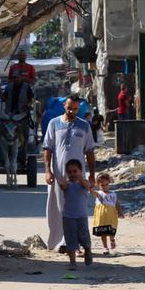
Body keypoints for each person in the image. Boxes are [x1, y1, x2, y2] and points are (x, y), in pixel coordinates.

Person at [42, 95, 97, 252]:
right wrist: (48, 171)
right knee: (57, 208)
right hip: (59, 176)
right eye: (69, 107)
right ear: (64, 106)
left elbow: (90, 152)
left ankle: (75, 243)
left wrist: (92, 175)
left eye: (75, 108)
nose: (72, 111)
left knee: (77, 209)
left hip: (78, 177)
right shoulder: (54, 124)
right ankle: (59, 242)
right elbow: (47, 149)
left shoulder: (84, 126)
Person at [60, 159, 93, 269]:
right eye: (69, 172)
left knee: (84, 237)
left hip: (81, 217)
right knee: (70, 239)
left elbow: (88, 186)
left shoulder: (83, 184)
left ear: (80, 171)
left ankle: (87, 250)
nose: (72, 174)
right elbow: (62, 186)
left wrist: (81, 179)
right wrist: (64, 180)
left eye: (75, 171)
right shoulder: (67, 185)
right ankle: (72, 262)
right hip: (68, 217)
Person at [92, 173, 121, 255]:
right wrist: (90, 186)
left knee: (111, 231)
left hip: (111, 215)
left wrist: (120, 211)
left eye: (106, 184)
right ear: (98, 185)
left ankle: (112, 240)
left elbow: (117, 203)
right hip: (102, 217)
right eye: (102, 185)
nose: (105, 187)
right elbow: (92, 192)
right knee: (103, 232)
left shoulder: (113, 194)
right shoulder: (99, 193)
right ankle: (105, 247)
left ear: (109, 183)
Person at [7, 50, 35, 115]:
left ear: (26, 57)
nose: (22, 57)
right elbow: (9, 80)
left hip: (26, 92)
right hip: (14, 92)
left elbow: (33, 81)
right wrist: (16, 80)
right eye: (20, 55)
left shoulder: (30, 67)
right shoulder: (13, 67)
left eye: (23, 55)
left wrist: (24, 79)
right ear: (17, 56)